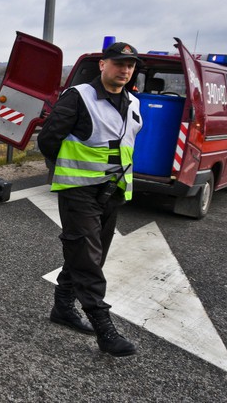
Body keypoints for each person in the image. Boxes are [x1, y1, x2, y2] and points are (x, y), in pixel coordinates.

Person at [38, 41, 143, 356]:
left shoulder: (134, 103)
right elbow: (48, 140)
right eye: (119, 63)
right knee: (86, 256)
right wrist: (69, 173)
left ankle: (62, 307)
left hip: (113, 193)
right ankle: (104, 329)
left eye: (130, 65)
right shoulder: (80, 97)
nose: (124, 70)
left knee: (91, 257)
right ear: (103, 64)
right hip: (79, 190)